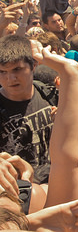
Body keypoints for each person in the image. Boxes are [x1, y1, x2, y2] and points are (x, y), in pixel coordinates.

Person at [0, 35, 57, 183]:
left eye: (17, 69)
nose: (10, 78)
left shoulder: (49, 95)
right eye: (2, 72)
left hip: (54, 183)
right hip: (19, 193)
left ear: (33, 65)